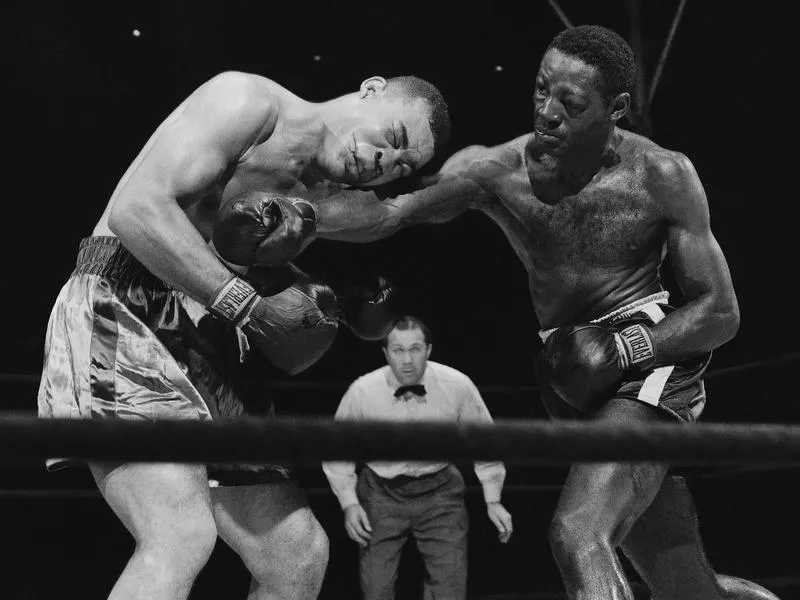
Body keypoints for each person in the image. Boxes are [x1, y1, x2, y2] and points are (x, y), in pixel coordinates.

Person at [309, 25, 780, 600]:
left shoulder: (661, 175)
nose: (548, 112)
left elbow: (721, 311)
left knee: (577, 534)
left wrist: (622, 350)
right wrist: (303, 214)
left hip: (647, 359)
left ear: (618, 109)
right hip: (568, 374)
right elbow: (392, 213)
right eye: (540, 91)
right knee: (678, 578)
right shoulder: (497, 172)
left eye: (572, 103)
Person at [37, 70, 451, 600]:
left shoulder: (319, 200)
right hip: (122, 301)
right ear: (371, 89)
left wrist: (326, 306)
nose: (383, 163)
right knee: (179, 535)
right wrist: (249, 306)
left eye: (401, 166)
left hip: (206, 332)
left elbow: (404, 215)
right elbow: (135, 210)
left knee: (296, 554)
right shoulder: (249, 103)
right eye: (393, 139)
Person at [322, 315, 513, 600]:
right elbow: (337, 449)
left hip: (440, 493)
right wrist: (349, 503)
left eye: (415, 349)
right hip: (380, 493)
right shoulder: (362, 391)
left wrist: (494, 499)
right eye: (398, 350)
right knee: (376, 588)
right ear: (386, 353)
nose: (407, 360)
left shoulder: (457, 385)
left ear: (429, 350)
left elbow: (484, 441)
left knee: (450, 587)